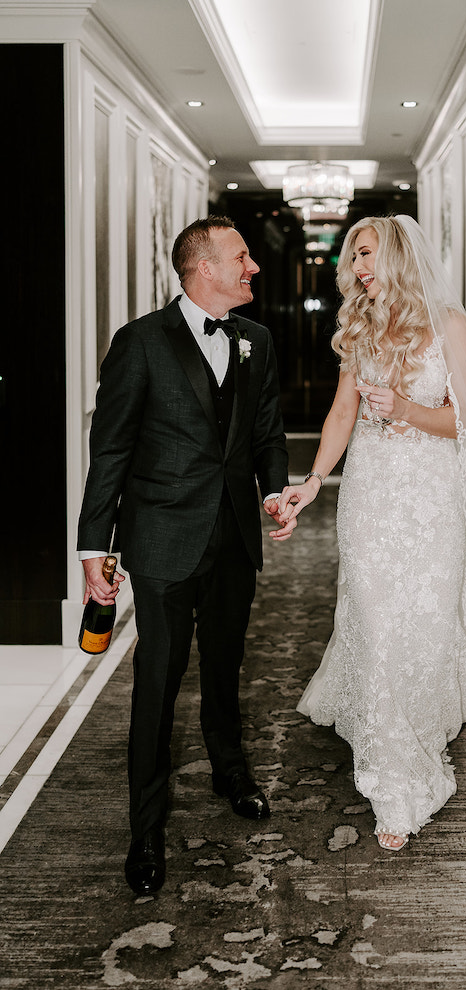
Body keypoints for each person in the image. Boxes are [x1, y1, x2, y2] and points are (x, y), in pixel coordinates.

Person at [77, 215, 295, 896]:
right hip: (162, 540)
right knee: (158, 682)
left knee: (226, 668)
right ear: (204, 268)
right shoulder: (141, 342)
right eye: (241, 257)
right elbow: (111, 449)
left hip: (233, 536)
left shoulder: (257, 339)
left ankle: (231, 771)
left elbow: (267, 432)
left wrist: (275, 491)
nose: (253, 268)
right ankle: (145, 828)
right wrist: (94, 547)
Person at [278, 215, 466, 851]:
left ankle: (414, 742)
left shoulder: (450, 326)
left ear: (397, 255)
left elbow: (462, 423)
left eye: (365, 254)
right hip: (369, 497)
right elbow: (343, 410)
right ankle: (391, 777)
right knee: (375, 625)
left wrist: (405, 410)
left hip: (430, 500)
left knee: (421, 626)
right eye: (353, 259)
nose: (357, 269)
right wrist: (314, 480)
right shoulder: (363, 327)